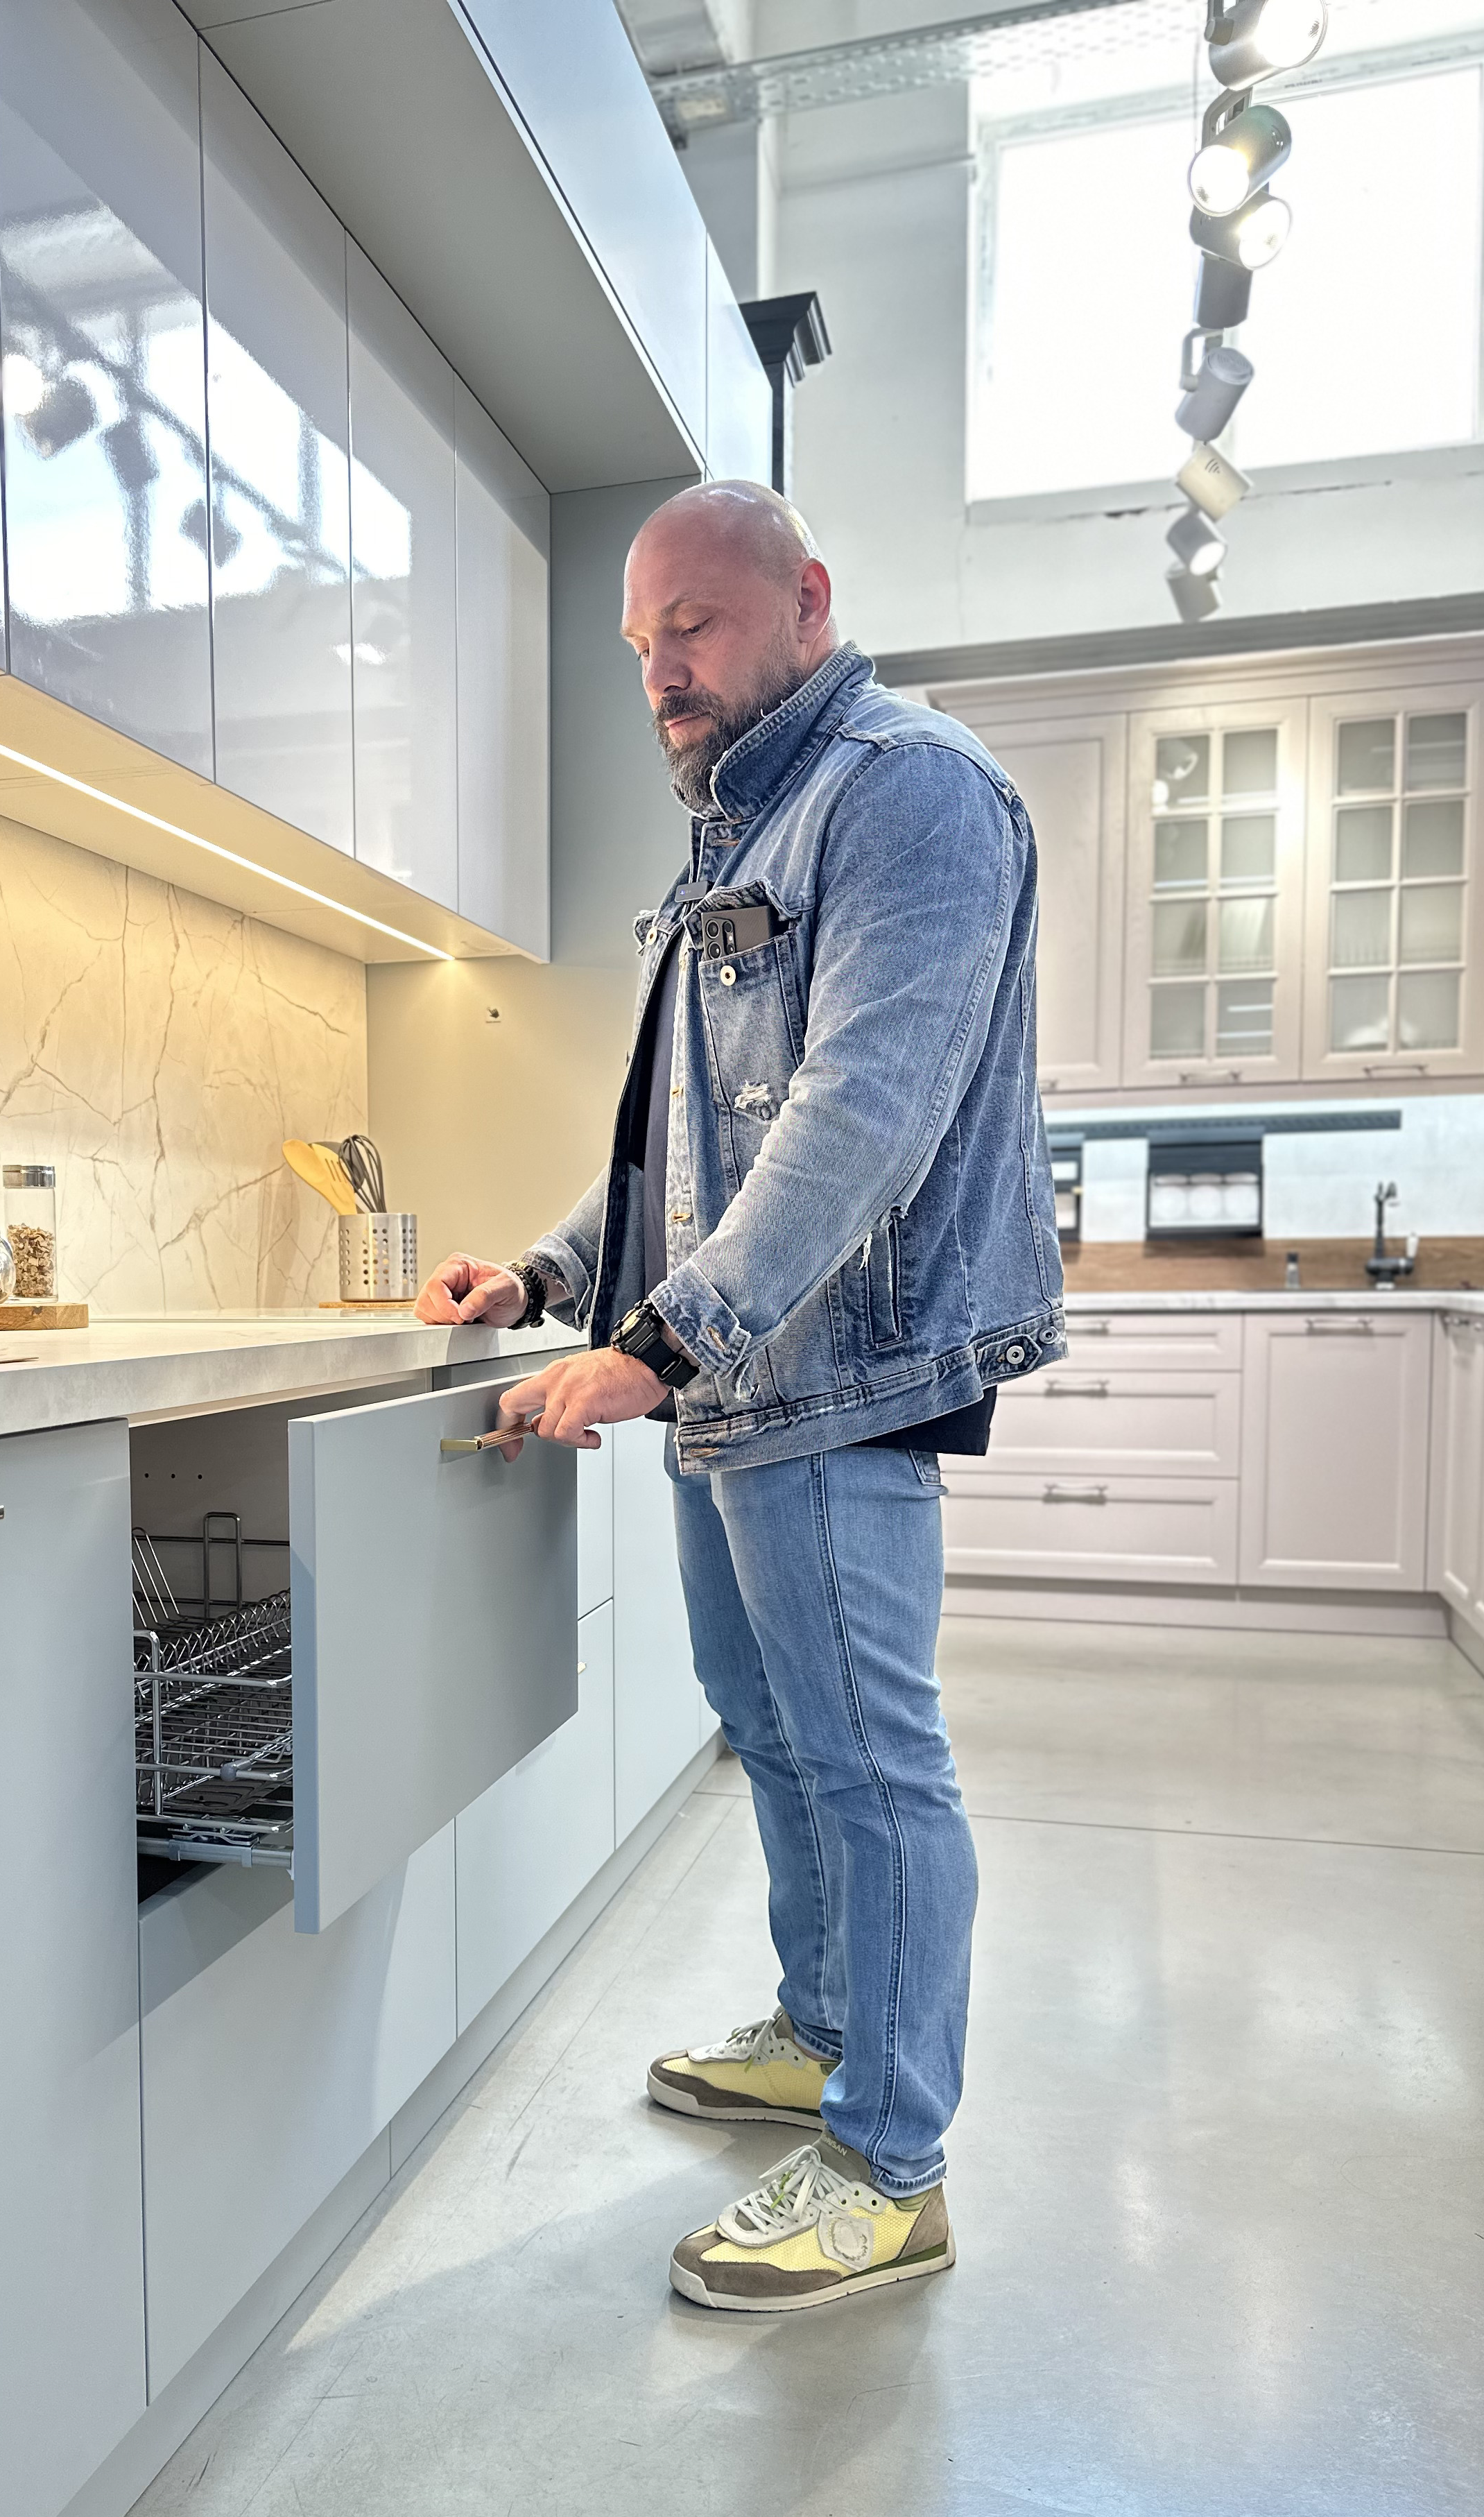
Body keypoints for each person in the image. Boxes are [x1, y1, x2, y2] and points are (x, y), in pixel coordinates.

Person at [415, 481, 1064, 2315]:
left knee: (871, 1765)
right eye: (642, 641)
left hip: (839, 1375)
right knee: (769, 1729)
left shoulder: (907, 790)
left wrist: (665, 1341)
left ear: (807, 601)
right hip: (739, 1378)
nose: (661, 671)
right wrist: (548, 1277)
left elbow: (862, 1110)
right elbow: (679, 1147)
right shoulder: (741, 828)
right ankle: (826, 2024)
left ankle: (889, 2167)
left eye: (693, 625)